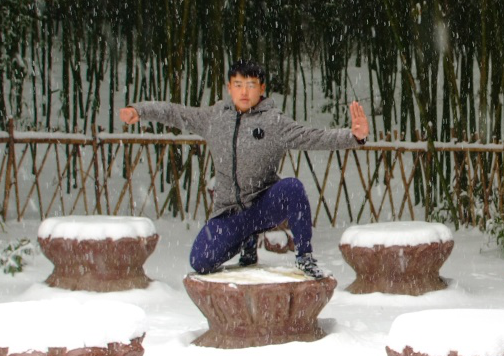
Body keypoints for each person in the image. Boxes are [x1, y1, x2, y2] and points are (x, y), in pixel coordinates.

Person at [119, 59, 369, 278]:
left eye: (251, 85)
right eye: (238, 85)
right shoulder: (215, 118)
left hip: (262, 207)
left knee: (293, 188)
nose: (244, 92)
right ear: (229, 88)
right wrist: (140, 111)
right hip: (228, 213)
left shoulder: (274, 122)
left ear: (262, 88)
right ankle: (246, 240)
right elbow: (177, 113)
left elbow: (312, 136)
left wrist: (353, 136)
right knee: (201, 261)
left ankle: (305, 257)